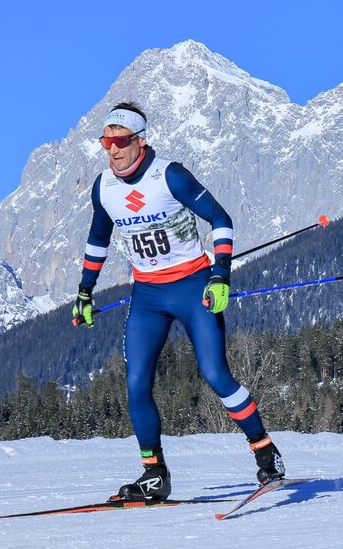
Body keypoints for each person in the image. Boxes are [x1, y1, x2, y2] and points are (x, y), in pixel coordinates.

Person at [72, 102, 285, 501]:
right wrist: (84, 291)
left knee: (216, 374)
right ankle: (154, 474)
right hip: (147, 295)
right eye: (106, 141)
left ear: (140, 140)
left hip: (192, 286)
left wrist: (221, 273)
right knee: (136, 383)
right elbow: (98, 240)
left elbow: (220, 219)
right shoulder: (104, 187)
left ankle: (265, 451)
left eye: (120, 141)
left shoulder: (169, 175)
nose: (113, 150)